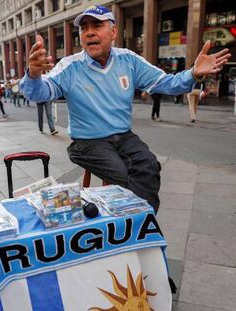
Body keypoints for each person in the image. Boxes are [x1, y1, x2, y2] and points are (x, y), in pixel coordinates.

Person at [20, 5, 230, 212]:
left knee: (150, 167)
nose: (89, 32)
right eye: (84, 28)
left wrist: (193, 73)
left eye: (96, 25)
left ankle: (143, 222)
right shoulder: (70, 66)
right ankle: (139, 224)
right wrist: (33, 75)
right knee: (124, 177)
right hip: (87, 142)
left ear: (113, 32)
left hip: (123, 136)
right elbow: (40, 92)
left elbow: (168, 83)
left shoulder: (128, 60)